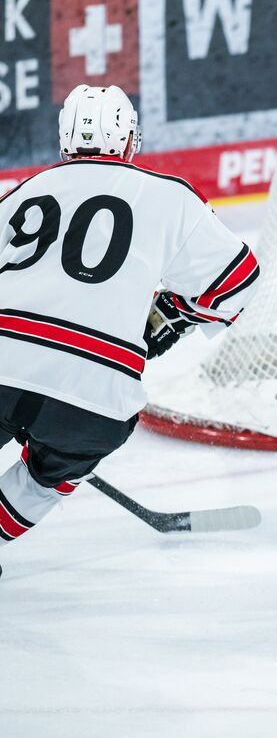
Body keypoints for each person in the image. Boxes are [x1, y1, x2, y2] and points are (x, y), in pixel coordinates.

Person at [0, 84, 259, 568]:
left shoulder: (25, 192)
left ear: (64, 142)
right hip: (96, 396)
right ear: (128, 142)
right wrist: (174, 316)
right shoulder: (169, 195)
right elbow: (238, 281)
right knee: (44, 479)